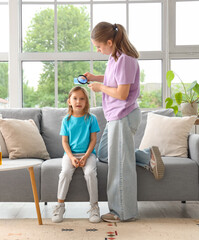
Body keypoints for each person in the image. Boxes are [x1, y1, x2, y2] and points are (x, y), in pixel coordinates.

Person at [85, 22, 165, 223]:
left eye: (99, 46)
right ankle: (147, 157)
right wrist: (96, 78)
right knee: (104, 154)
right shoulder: (114, 59)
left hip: (123, 115)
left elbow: (121, 92)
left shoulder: (126, 61)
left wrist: (100, 87)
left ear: (110, 42)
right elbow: (115, 80)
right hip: (115, 117)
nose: (98, 50)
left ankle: (123, 212)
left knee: (121, 167)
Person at [52, 86, 101, 223]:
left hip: (88, 154)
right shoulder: (66, 120)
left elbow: (93, 140)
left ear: (86, 102)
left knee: (90, 173)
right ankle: (60, 206)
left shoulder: (91, 119)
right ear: (69, 101)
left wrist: (85, 156)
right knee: (65, 173)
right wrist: (72, 157)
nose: (78, 101)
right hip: (70, 155)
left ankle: (94, 207)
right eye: (75, 98)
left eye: (82, 99)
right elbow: (65, 142)